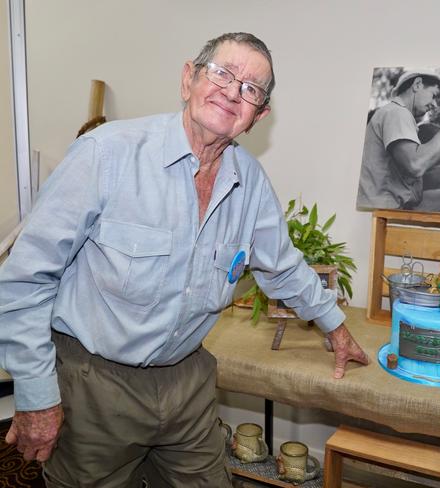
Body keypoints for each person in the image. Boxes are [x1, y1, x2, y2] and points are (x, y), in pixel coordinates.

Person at [0, 32, 368, 487]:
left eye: (251, 90)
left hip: (187, 383)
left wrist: (334, 325)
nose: (233, 93)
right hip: (95, 385)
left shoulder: (249, 182)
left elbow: (283, 265)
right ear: (188, 79)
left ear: (258, 116)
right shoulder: (106, 154)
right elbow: (24, 280)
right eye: (222, 74)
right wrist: (36, 394)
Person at [356, 69, 440, 212]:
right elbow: (416, 165)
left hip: (392, 203)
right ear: (417, 84)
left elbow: (417, 183)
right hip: (383, 209)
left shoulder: (399, 115)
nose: (434, 105)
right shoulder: (396, 112)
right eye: (433, 95)